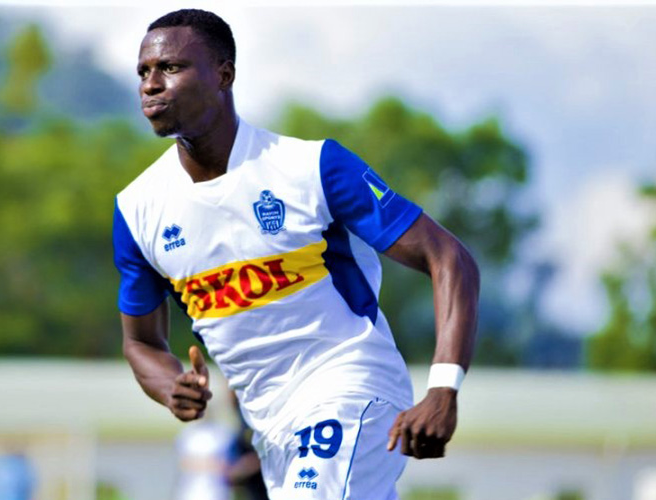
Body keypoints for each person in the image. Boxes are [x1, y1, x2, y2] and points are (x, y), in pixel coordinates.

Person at [113, 9, 480, 499]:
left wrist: (443, 388)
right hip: (271, 431)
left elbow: (449, 258)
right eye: (143, 72)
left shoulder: (309, 168)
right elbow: (142, 344)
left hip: (350, 387)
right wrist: (170, 385)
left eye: (171, 68)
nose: (151, 84)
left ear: (224, 74)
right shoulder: (137, 209)